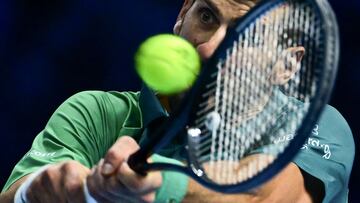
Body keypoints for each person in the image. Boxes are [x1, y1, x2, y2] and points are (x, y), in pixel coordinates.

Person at [0, 0, 355, 202]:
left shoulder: (319, 125)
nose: (209, 48)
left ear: (287, 65)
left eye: (247, 33)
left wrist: (157, 183)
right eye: (206, 16)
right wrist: (55, 187)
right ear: (182, 15)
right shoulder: (94, 113)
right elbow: (16, 194)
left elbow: (265, 196)